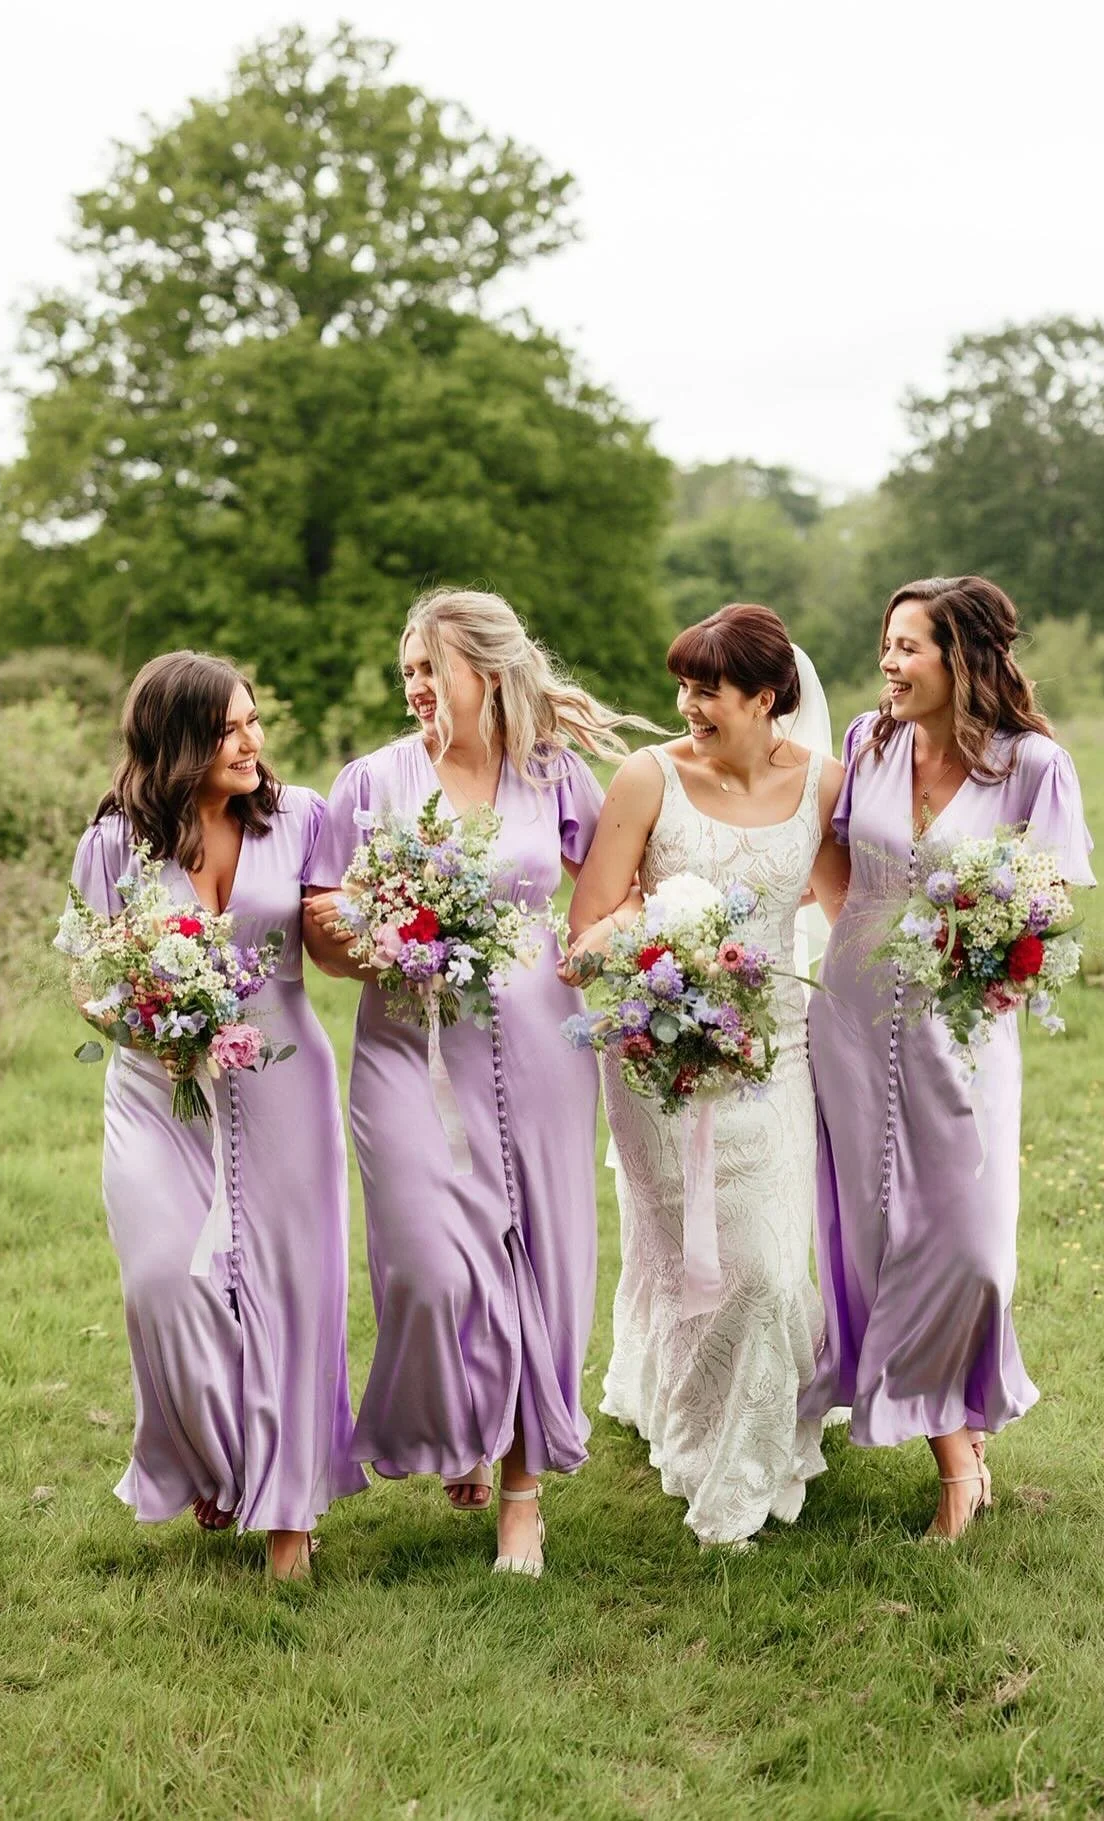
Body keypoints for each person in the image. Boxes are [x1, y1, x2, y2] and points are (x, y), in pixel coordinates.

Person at [304, 588, 649, 1578]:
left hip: (541, 1048)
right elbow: (325, 937)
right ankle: (459, 1414)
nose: (413, 684)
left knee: (537, 1264)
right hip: (406, 1052)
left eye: (429, 668)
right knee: (429, 1269)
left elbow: (611, 898)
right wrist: (385, 944)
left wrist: (613, 937)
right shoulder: (369, 783)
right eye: (405, 669)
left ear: (485, 674)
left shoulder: (558, 778)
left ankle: (519, 1499)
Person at [802, 576, 1095, 1540]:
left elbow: (1046, 904)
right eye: (884, 644)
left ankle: (961, 1419)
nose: (888, 663)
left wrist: (984, 962)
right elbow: (830, 853)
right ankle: (958, 1461)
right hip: (851, 1015)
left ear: (961, 659)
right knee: (878, 1236)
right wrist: (865, 941)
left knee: (970, 1248)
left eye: (908, 647)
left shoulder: (1031, 765)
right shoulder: (867, 741)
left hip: (963, 1028)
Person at [64, 651, 366, 1580]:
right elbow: (86, 975)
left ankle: (287, 1516)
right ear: (177, 739)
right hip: (157, 1095)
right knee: (165, 1282)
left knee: (290, 1294)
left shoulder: (301, 818)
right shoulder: (114, 845)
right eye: (231, 727)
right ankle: (218, 1455)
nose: (253, 741)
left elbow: (334, 940)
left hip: (282, 1086)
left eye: (254, 720)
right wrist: (148, 1023)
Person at [568, 603, 846, 1547]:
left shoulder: (823, 787)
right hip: (654, 1051)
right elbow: (587, 931)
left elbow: (849, 915)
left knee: (765, 1266)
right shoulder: (647, 779)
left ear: (766, 699)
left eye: (707, 689)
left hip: (775, 1051)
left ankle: (748, 1455)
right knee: (686, 1249)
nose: (687, 703)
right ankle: (692, 1422)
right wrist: (662, 946)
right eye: (682, 683)